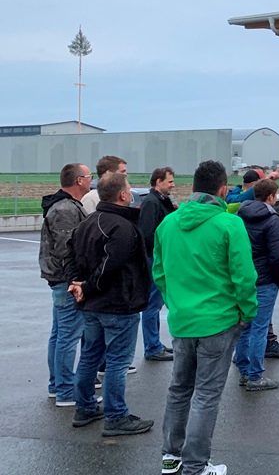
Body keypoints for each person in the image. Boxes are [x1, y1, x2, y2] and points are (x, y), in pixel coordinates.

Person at [154, 160, 258, 475]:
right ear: (223, 190)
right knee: (206, 394)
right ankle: (196, 465)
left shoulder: (168, 224)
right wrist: (247, 312)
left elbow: (159, 273)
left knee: (179, 389)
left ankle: (171, 456)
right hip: (218, 321)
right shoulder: (229, 225)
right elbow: (244, 277)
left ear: (193, 188)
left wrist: (176, 304)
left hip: (183, 320)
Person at [64, 173, 154, 436]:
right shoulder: (121, 226)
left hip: (94, 304)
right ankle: (115, 416)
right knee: (117, 361)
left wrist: (77, 283)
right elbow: (110, 265)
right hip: (117, 304)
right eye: (129, 189)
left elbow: (68, 255)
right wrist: (83, 285)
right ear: (123, 195)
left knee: (90, 355)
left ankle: (85, 407)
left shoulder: (88, 221)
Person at [40, 162, 91, 406]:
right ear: (79, 180)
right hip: (66, 281)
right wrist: (77, 280)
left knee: (60, 334)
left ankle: (57, 386)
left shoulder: (67, 206)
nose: (92, 180)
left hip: (61, 280)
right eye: (89, 176)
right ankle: (65, 391)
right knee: (67, 336)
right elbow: (66, 250)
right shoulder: (65, 209)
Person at [234, 177, 279, 391]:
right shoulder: (273, 221)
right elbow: (277, 256)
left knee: (244, 326)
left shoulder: (239, 217)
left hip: (244, 279)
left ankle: (244, 371)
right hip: (265, 280)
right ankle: (256, 376)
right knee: (260, 328)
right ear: (271, 196)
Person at [138, 166, 177, 362]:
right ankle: (152, 347)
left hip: (159, 257)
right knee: (152, 305)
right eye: (170, 181)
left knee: (156, 303)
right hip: (154, 259)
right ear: (158, 181)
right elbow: (147, 235)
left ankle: (155, 344)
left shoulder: (161, 201)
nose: (173, 185)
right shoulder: (152, 203)